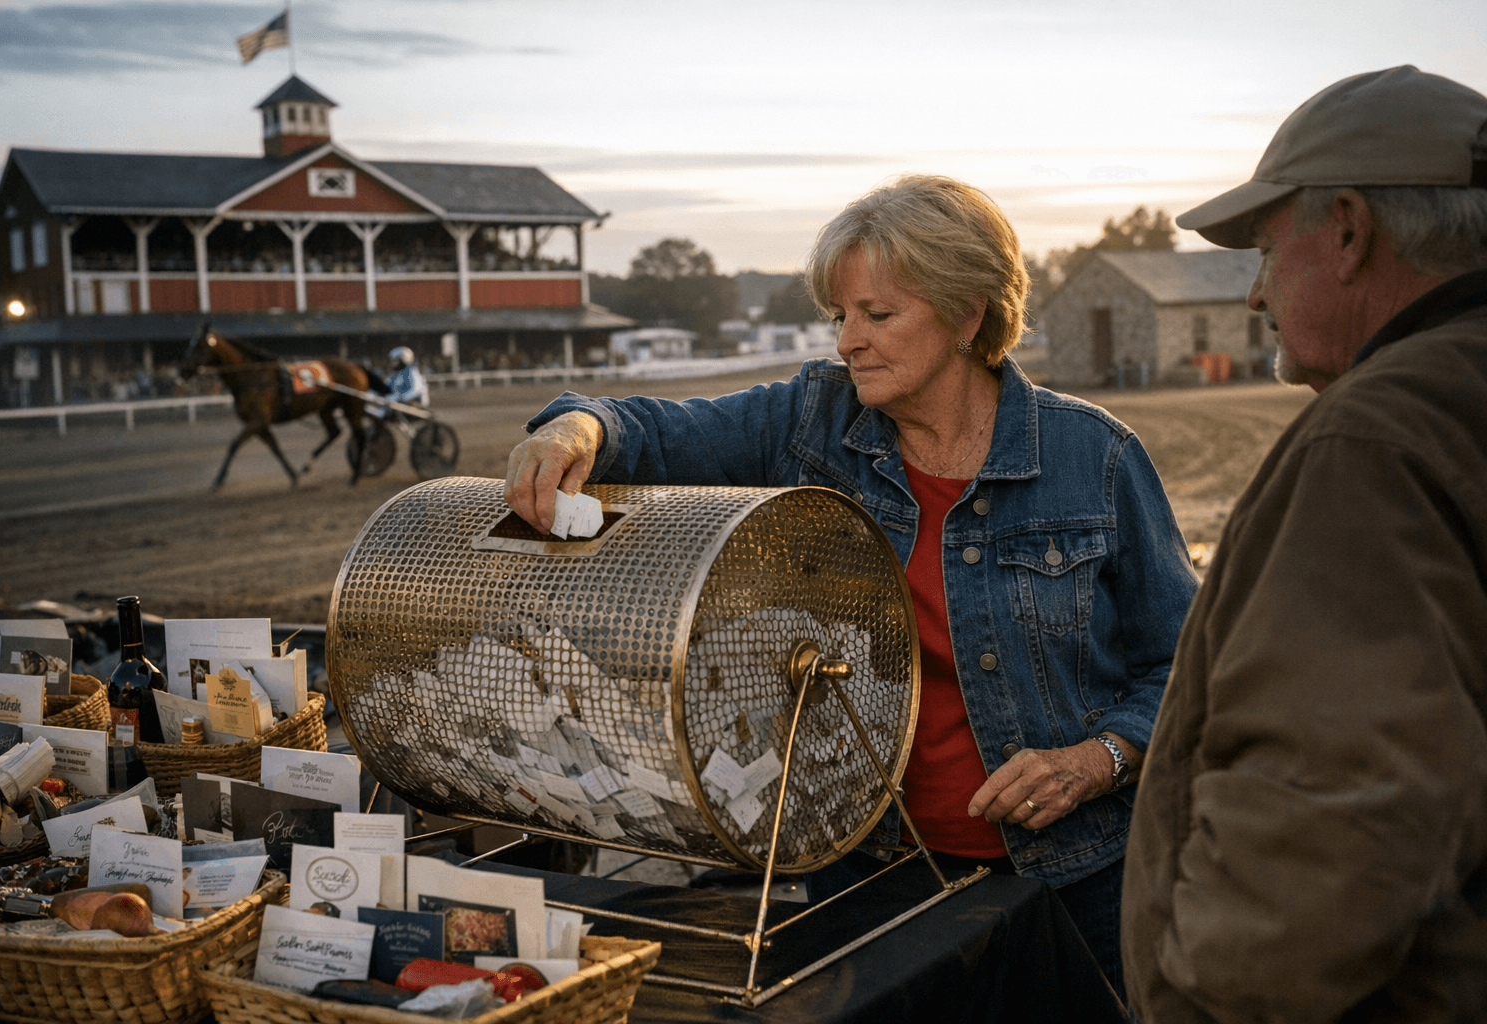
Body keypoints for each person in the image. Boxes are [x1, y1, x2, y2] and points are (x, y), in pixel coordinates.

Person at [505, 174, 1200, 1001]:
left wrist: (1096, 760)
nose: (847, 342)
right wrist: (575, 425)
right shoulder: (811, 421)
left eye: (877, 315)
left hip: (1075, 882)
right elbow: (656, 432)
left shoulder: (1097, 459)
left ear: (966, 314)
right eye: (840, 317)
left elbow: (1192, 664)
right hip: (869, 880)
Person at [1122, 66, 1487, 1023]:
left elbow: (1333, 822)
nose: (1252, 296)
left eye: (1263, 251)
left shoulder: (1376, 440)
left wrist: (1206, 1006)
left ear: (1351, 231)